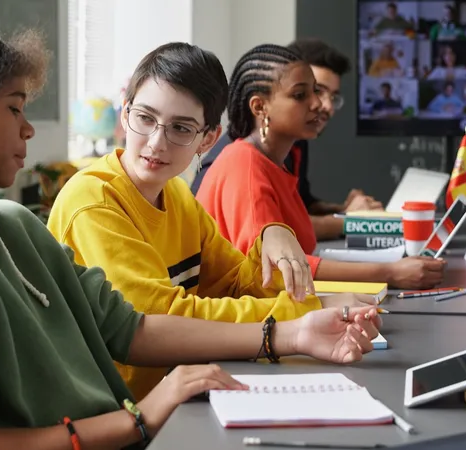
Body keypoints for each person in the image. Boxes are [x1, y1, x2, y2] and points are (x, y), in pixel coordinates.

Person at [0, 19, 382, 449]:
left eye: (181, 128)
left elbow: (127, 326)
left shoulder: (9, 221)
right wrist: (137, 419)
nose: (28, 129)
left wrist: (293, 331)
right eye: (16, 107)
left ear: (206, 138)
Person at [47, 42, 374, 400]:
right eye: (145, 118)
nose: (157, 142)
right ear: (125, 114)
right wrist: (308, 309)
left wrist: (273, 235)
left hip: (178, 392)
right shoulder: (94, 202)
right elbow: (161, 319)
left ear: (208, 139)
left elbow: (235, 282)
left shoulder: (176, 194)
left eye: (181, 128)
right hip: (115, 412)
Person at [195, 44, 446, 289]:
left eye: (316, 92)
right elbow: (272, 270)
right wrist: (389, 273)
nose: (318, 104)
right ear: (260, 107)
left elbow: (299, 257)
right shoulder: (244, 164)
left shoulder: (276, 165)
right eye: (300, 95)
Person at [192, 39, 383, 241]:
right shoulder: (242, 160)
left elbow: (299, 206)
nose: (323, 105)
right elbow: (273, 237)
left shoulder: (292, 143)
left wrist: (342, 210)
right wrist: (349, 220)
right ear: (259, 106)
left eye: (332, 96)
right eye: (305, 93)